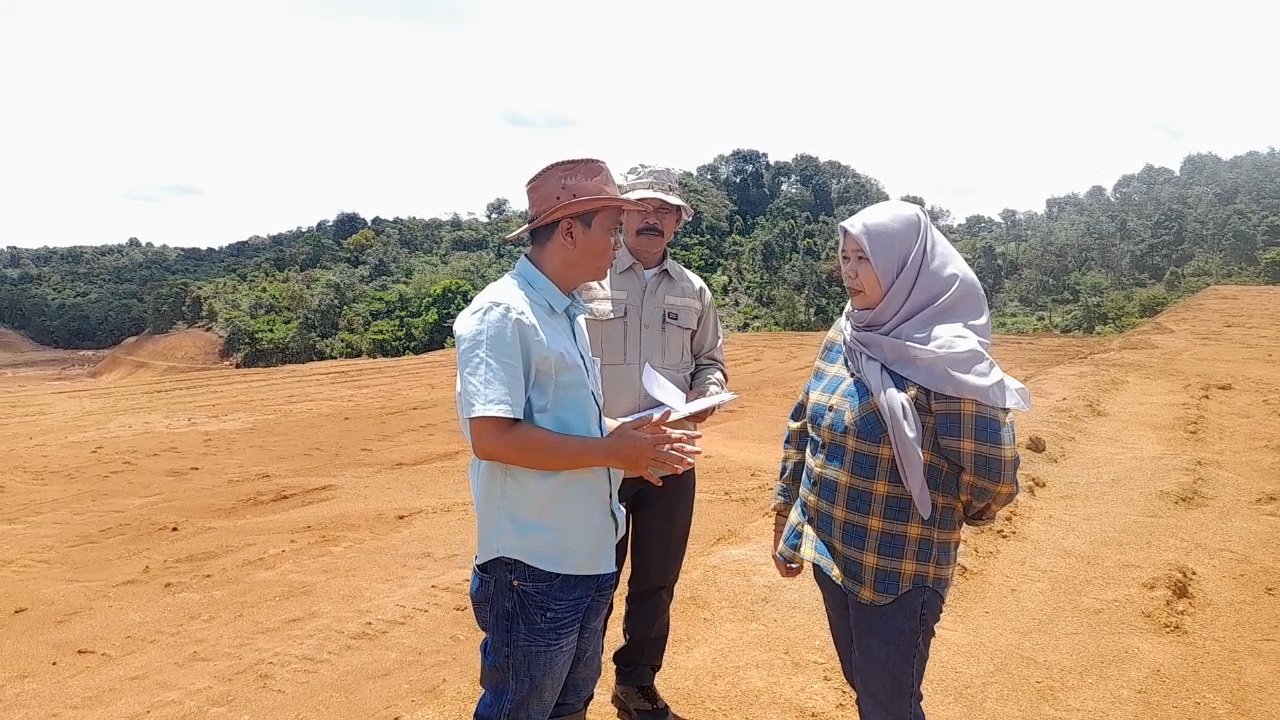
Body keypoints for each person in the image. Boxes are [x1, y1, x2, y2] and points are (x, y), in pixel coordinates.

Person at [453, 158, 705, 720]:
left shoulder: (565, 313)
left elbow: (578, 426)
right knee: (521, 709)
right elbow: (491, 437)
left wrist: (628, 434)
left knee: (568, 707)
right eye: (611, 228)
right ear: (569, 230)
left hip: (585, 556)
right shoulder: (502, 315)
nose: (618, 242)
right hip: (533, 568)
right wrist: (608, 451)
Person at [770, 200, 1031, 720]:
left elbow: (993, 473)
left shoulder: (949, 359)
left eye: (863, 258)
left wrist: (953, 516)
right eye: (844, 257)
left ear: (905, 265)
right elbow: (806, 421)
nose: (849, 271)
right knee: (865, 683)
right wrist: (787, 516)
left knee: (890, 701)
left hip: (900, 568)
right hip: (833, 548)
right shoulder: (849, 332)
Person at [580, 165, 728, 720]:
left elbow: (711, 361)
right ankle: (574, 686)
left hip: (671, 456)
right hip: (601, 459)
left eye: (664, 211)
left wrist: (708, 392)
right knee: (593, 575)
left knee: (656, 579)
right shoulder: (587, 280)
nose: (652, 218)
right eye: (642, 208)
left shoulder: (694, 291)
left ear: (678, 224)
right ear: (620, 215)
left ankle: (636, 684)